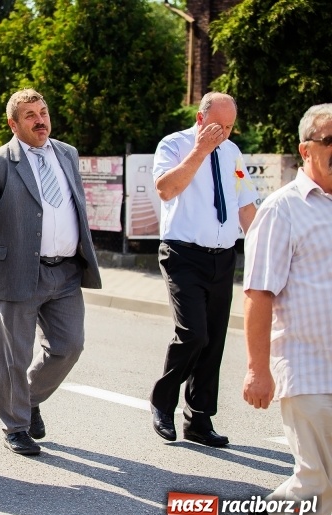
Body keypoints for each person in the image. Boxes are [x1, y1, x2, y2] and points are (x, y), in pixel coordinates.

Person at [0, 89, 101, 456]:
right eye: (29, 115)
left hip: (65, 272)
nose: (40, 119)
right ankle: (15, 426)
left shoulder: (67, 154)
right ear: (14, 124)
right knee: (14, 355)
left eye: (43, 112)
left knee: (68, 347)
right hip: (16, 270)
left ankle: (27, 399)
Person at [242, 103, 332, 515]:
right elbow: (258, 292)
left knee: (320, 480)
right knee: (318, 480)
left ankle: (276, 508)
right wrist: (258, 369)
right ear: (306, 150)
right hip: (307, 366)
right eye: (330, 140)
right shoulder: (282, 209)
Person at [149, 92, 258, 447]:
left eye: (229, 127)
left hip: (223, 257)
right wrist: (201, 150)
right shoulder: (174, 145)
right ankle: (162, 402)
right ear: (200, 119)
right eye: (217, 126)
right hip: (183, 253)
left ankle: (198, 419)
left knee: (213, 340)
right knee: (193, 333)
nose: (223, 134)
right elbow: (167, 189)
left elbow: (245, 206)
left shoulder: (232, 153)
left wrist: (263, 247)